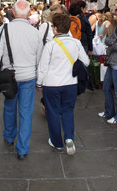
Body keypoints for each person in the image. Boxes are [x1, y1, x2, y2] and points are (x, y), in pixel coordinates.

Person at [0, 0, 41, 160]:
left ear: (13, 11)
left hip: (9, 77)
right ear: (28, 13)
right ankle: (22, 149)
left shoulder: (4, 29)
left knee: (9, 107)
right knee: (26, 112)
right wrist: (39, 79)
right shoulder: (35, 32)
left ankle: (9, 136)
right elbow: (39, 58)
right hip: (28, 77)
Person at [37, 12, 90, 155]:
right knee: (67, 110)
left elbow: (43, 67)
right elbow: (86, 61)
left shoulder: (50, 45)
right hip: (70, 83)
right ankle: (69, 138)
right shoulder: (76, 43)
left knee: (53, 113)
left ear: (55, 28)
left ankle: (57, 142)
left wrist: (39, 83)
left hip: (51, 84)